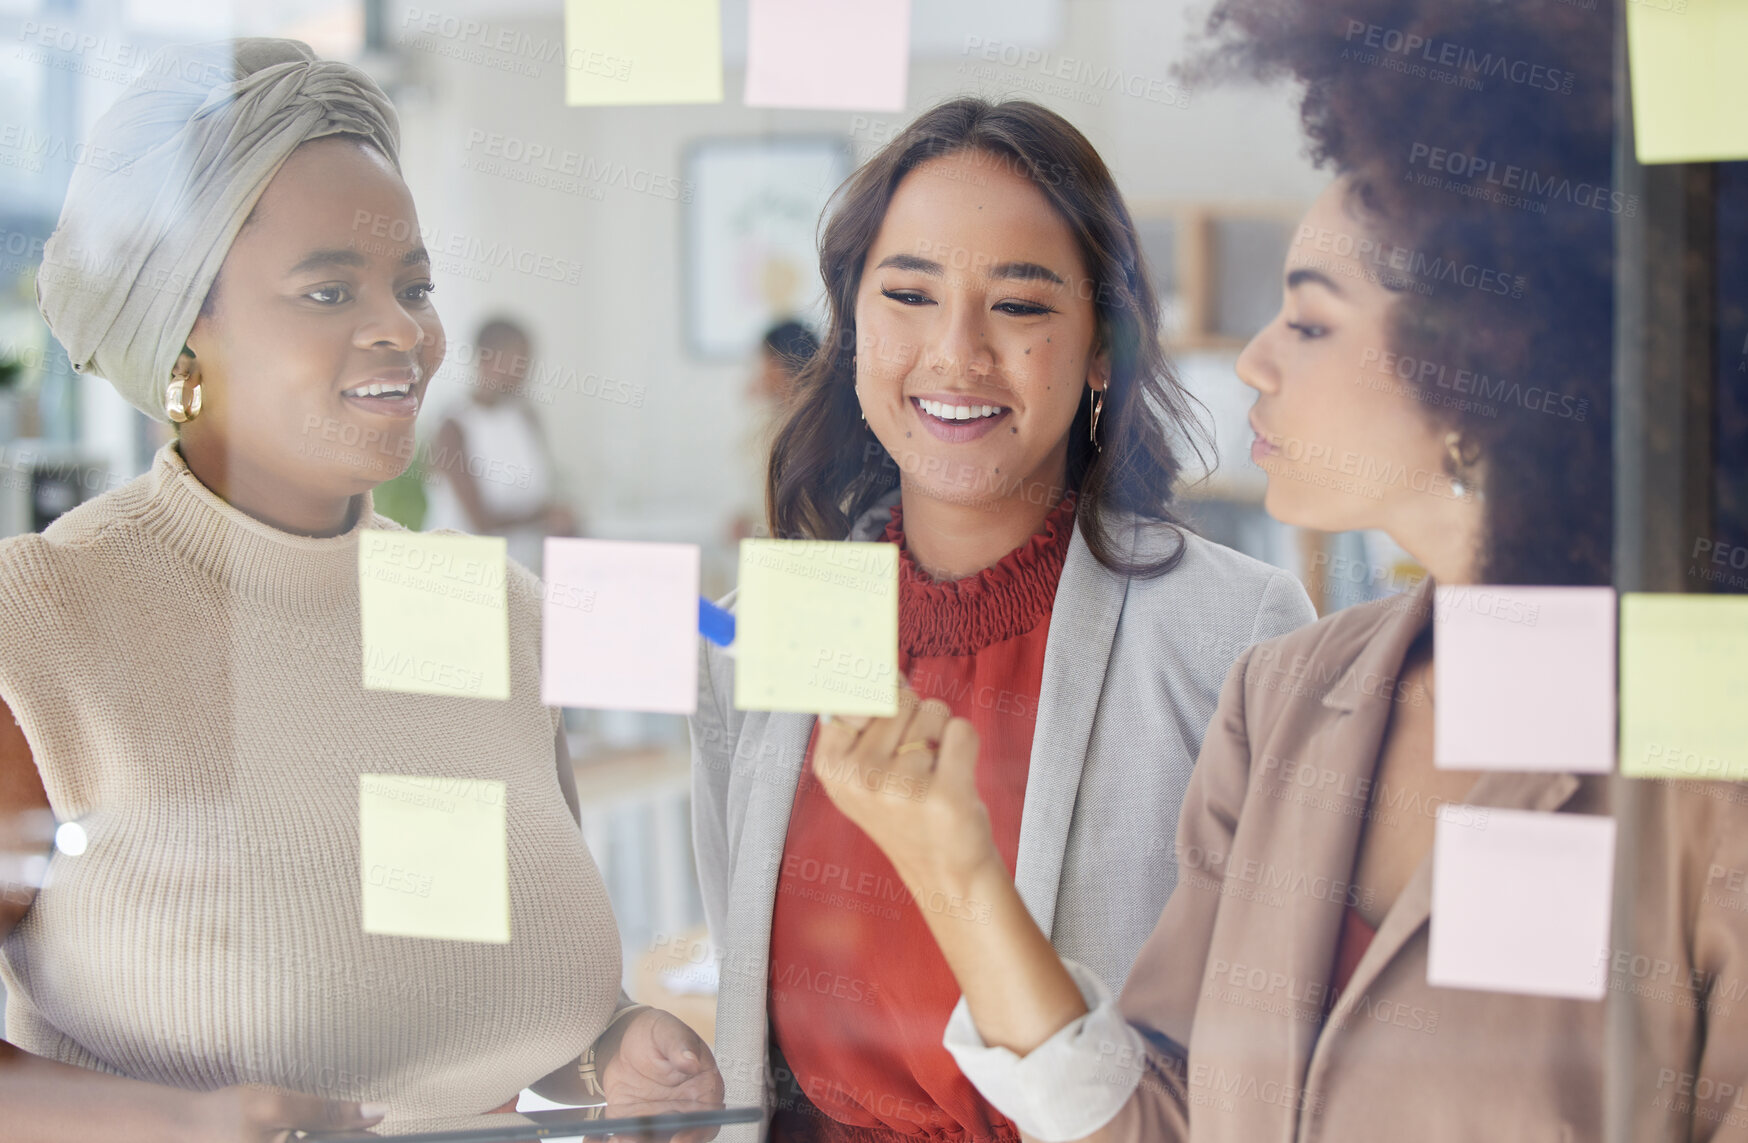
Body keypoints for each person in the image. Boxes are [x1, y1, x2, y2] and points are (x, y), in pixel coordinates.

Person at [806, 2, 1748, 1140]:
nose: (1250, 359)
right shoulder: (1289, 697)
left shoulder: (1702, 752)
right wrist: (952, 868)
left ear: (1482, 377)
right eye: (904, 294)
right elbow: (1164, 1116)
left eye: (1305, 323)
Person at [0, 39, 718, 1142]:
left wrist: (605, 1052)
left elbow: (446, 1002)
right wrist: (181, 1125)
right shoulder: (49, 624)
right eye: (329, 289)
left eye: (413, 286)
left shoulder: (492, 615)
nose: (406, 331)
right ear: (185, 327)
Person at [689, 98, 1316, 1141]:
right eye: (907, 295)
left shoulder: (1239, 632)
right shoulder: (759, 636)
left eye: (1019, 307)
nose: (955, 354)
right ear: (854, 329)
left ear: (1103, 347)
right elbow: (751, 1034)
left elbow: (1265, 1074)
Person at [424, 317, 576, 573]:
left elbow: (542, 489)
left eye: (527, 362)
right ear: (485, 359)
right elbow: (481, 521)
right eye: (517, 362)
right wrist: (545, 515)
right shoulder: (454, 426)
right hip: (463, 572)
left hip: (522, 569)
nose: (524, 372)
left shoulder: (525, 416)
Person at [731, 320, 819, 542]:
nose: (758, 371)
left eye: (763, 361)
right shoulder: (782, 417)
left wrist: (753, 528)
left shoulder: (809, 428)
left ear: (777, 364)